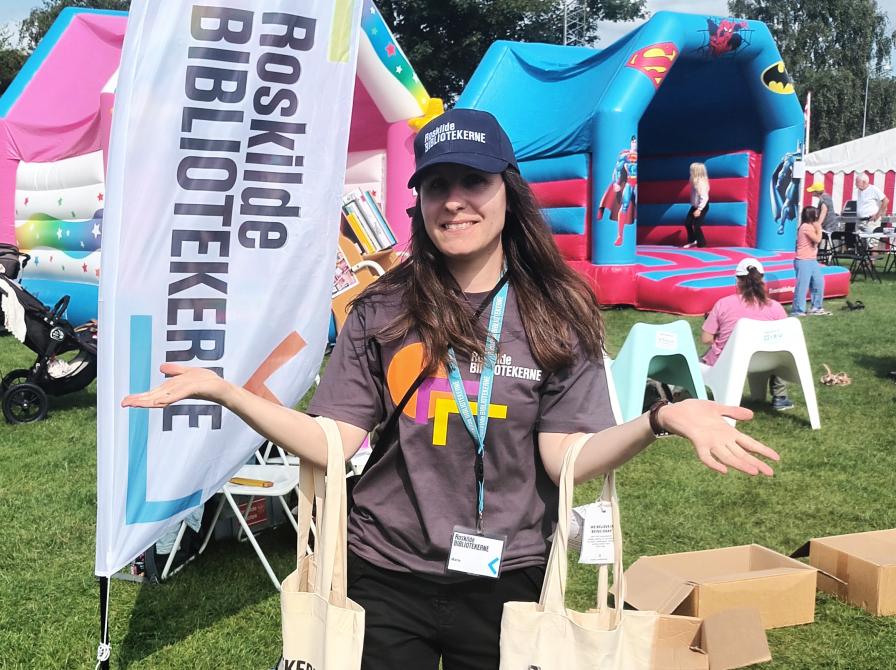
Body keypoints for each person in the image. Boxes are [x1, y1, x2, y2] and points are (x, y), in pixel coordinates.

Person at [122, 108, 779, 670]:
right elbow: (333, 441)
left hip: (508, 576)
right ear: (420, 202)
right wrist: (231, 394)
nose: (455, 200)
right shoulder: (383, 307)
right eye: (438, 184)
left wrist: (659, 419)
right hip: (383, 570)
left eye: (474, 181)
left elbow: (565, 458)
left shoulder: (557, 311)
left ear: (508, 191)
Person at [701, 258, 794, 411]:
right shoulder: (776, 307)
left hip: (729, 361)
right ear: (762, 280)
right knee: (780, 348)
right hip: (766, 360)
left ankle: (680, 395)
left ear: (737, 281)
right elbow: (786, 338)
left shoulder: (723, 304)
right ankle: (780, 397)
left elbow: (706, 339)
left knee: (702, 359)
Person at [792, 206, 830, 317]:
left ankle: (816, 307)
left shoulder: (810, 226)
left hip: (812, 260)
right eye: (816, 214)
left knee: (819, 283)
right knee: (802, 286)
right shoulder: (805, 227)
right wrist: (819, 228)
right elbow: (817, 239)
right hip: (803, 260)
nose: (817, 216)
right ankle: (798, 310)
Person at [854, 174, 889, 254]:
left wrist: (877, 215)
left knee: (872, 243)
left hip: (870, 221)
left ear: (864, 182)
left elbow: (886, 200)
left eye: (857, 182)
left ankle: (872, 261)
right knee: (860, 243)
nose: (855, 184)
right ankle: (863, 261)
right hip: (860, 221)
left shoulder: (873, 189)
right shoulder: (859, 190)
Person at [683, 162, 710, 248]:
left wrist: (699, 209)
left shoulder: (700, 183)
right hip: (695, 206)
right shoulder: (694, 181)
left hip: (702, 206)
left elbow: (704, 198)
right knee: (687, 223)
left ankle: (702, 244)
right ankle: (693, 241)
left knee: (696, 225)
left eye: (691, 170)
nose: (690, 172)